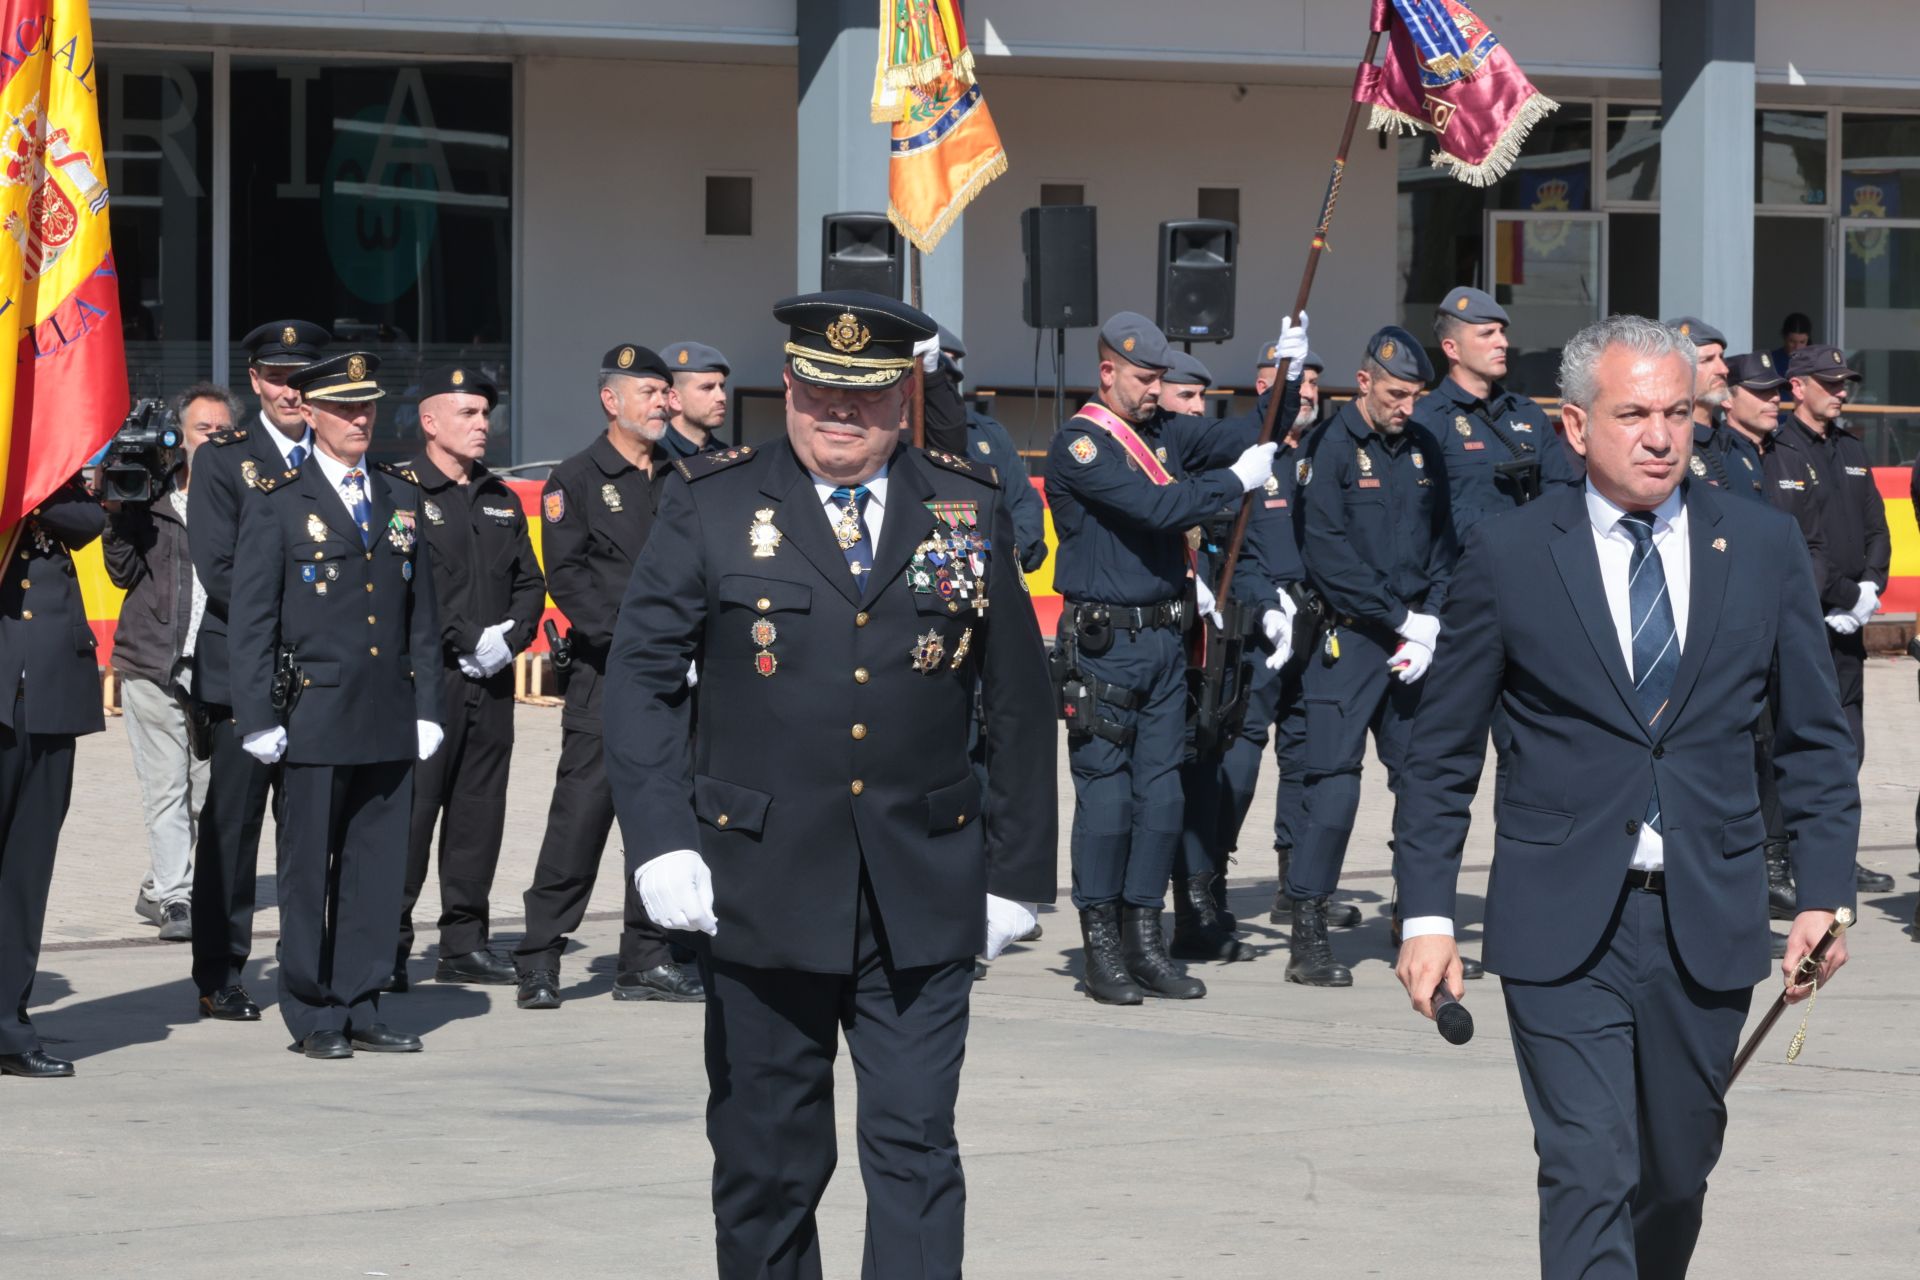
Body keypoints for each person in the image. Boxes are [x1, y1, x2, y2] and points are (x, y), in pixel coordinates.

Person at [603, 289, 1058, 1280]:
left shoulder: (964, 504)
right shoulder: (714, 500)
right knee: (767, 1161)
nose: (839, 413)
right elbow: (638, 681)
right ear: (788, 387)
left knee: (916, 1152)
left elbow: (1019, 698)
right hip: (761, 886)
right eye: (819, 391)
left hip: (923, 888)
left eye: (865, 396)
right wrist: (663, 839)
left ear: (903, 397)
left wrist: (1018, 874)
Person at [1393, 313, 1859, 1278]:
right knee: (1586, 1168)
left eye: (1678, 413)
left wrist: (1824, 894)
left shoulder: (1760, 545)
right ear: (1575, 425)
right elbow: (1439, 755)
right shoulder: (1511, 553)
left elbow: (1814, 738)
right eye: (1633, 414)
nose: (1660, 437)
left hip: (1708, 917)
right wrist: (1427, 915)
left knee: (1675, 1177)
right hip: (1561, 922)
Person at [1044, 311, 1298, 1004]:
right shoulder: (1082, 446)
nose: (1155, 391)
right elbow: (1157, 509)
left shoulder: (1167, 433)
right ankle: (1102, 946)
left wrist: (1285, 380)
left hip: (1164, 639)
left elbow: (1256, 433)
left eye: (1160, 379)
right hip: (1106, 644)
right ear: (1108, 373)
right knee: (1108, 798)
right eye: (1144, 378)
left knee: (1162, 797)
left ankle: (1144, 939)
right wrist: (1234, 483)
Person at [228, 351, 442, 1059]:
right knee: (305, 870)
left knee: (375, 868)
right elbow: (253, 621)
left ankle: (362, 998)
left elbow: (421, 615)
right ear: (312, 413)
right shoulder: (280, 501)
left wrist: (428, 704)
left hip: (386, 712)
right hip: (313, 714)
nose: (359, 419)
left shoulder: (400, 496)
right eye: (345, 408)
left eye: (367, 406)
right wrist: (257, 717)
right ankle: (313, 1010)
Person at [512, 344, 704, 1008]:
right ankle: (539, 956)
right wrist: (641, 648)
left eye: (665, 392)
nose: (662, 404)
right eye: (648, 392)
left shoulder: (684, 475)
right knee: (580, 820)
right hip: (609, 676)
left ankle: (645, 959)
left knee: (662, 820)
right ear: (610, 400)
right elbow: (569, 581)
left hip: (681, 680)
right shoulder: (576, 480)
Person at [1289, 326, 1473, 988]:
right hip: (1352, 639)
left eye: (1415, 395)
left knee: (1422, 784)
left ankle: (1417, 918)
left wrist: (1430, 622)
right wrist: (1400, 619)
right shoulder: (1329, 448)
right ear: (1364, 382)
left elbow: (1445, 542)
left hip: (1413, 641)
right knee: (1334, 787)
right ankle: (1308, 930)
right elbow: (1327, 552)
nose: (1407, 406)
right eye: (1396, 394)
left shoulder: (1423, 447)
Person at [184, 318, 329, 1022]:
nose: (290, 390)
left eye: (301, 378)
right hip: (246, 669)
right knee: (234, 828)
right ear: (256, 381)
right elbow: (220, 570)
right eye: (277, 377)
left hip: (322, 675)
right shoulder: (224, 460)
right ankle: (220, 972)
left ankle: (308, 965)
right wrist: (308, 617)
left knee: (310, 830)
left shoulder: (338, 452)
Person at [388, 366, 547, 989]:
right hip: (426, 683)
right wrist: (464, 638)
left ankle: (464, 943)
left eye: (486, 414)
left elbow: (530, 582)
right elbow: (406, 586)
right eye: (468, 413)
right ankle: (387, 942)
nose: (483, 425)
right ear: (430, 422)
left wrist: (509, 639)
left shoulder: (499, 497)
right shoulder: (400, 491)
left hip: (493, 681)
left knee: (479, 815)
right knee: (411, 815)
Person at [105, 383, 235, 942]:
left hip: (217, 666)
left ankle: (160, 884)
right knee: (165, 789)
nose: (215, 438)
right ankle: (177, 900)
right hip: (151, 661)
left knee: (209, 793)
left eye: (225, 430)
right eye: (204, 429)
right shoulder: (152, 495)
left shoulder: (243, 496)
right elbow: (121, 572)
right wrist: (120, 511)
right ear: (179, 436)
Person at [0, 478, 106, 1078]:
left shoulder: (50, 469)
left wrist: (36, 475)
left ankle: (7, 1027)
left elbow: (89, 524)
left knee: (25, 871)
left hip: (47, 693)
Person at [1784, 344, 1892, 894]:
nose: (1842, 391)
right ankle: (1791, 861)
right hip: (1809, 622)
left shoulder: (1851, 448)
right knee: (1805, 747)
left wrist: (1871, 589)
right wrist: (1845, 597)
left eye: (1844, 382)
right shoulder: (1781, 449)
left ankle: (1839, 858)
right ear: (1798, 387)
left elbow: (1877, 527)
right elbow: (1802, 544)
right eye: (1830, 383)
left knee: (1850, 747)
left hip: (1851, 626)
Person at [1416, 286, 1580, 549]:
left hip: (1529, 560)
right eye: (1487, 334)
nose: (1502, 343)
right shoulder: (1427, 419)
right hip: (1461, 566)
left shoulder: (1527, 413)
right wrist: (1511, 528)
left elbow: (1562, 491)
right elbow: (1428, 508)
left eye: (1502, 332)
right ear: (1451, 348)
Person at [922, 325, 1047, 572]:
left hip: (991, 573)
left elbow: (1023, 503)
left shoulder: (988, 432)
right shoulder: (897, 435)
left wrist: (1005, 555)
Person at [1666, 317, 1747, 496]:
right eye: (1707, 360)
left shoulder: (1739, 444)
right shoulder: (1666, 448)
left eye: (1721, 358)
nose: (1723, 369)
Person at [660, 340, 730, 460]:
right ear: (674, 399)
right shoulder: (655, 456)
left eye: (722, 387)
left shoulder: (725, 455)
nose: (722, 397)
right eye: (707, 388)